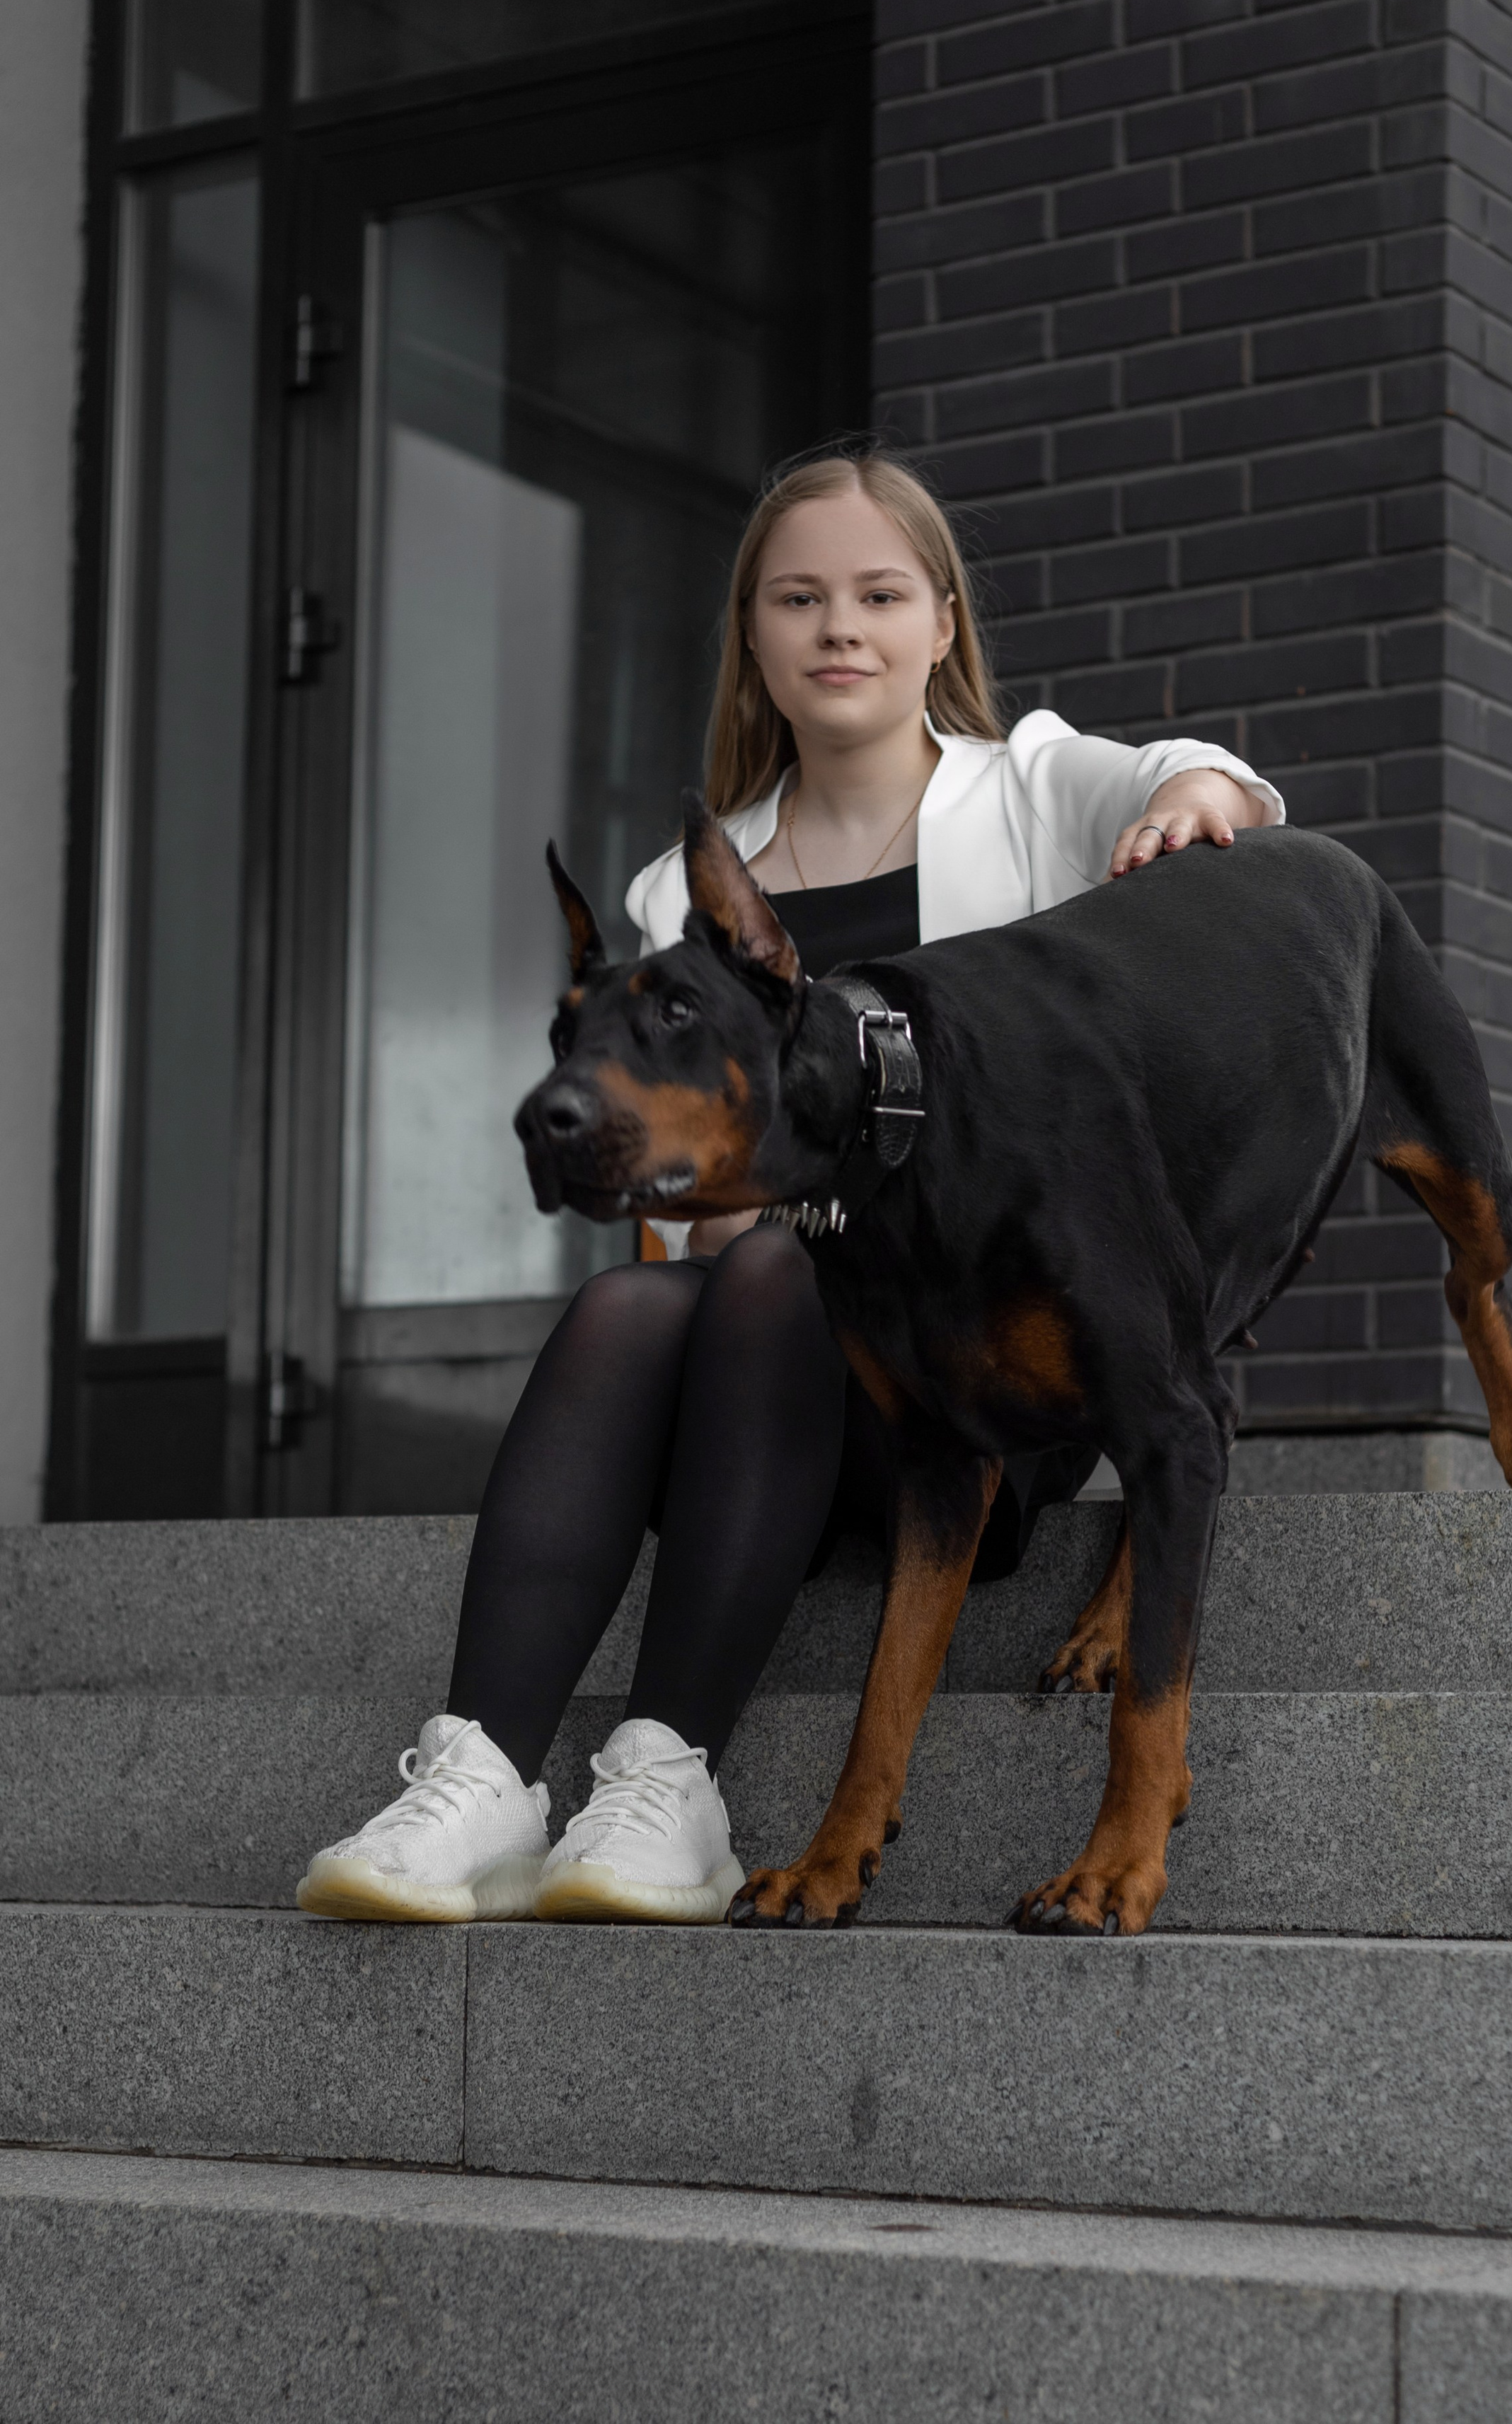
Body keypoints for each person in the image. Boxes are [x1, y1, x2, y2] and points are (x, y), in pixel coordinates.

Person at [296, 451, 1284, 1928]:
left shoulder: (1027, 789)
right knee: (634, 1303)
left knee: (774, 1266)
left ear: (939, 625)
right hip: (782, 1405)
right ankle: (482, 1779)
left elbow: (1201, 782)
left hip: (982, 1394)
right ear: (752, 636)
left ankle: (663, 1774)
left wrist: (1191, 805)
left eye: (880, 595)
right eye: (799, 597)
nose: (841, 627)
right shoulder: (670, 893)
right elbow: (677, 1190)